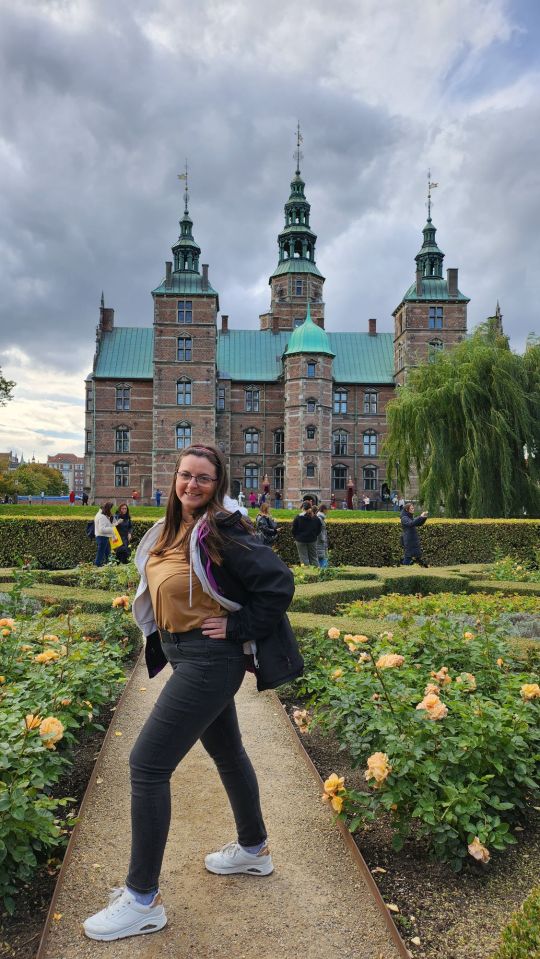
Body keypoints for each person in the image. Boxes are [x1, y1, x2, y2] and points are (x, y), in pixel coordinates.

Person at [83, 444, 302, 942]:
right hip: (185, 654)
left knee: (147, 764)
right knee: (228, 752)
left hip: (209, 661)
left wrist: (239, 625)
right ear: (174, 478)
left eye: (203, 478)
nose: (192, 485)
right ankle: (253, 850)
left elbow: (278, 583)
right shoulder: (169, 530)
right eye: (186, 475)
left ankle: (142, 900)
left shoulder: (224, 528)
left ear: (217, 483)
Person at [291, 501, 321, 566]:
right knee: (314, 558)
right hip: (312, 539)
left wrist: (296, 537)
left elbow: (293, 530)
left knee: (304, 558)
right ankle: (317, 574)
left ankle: (307, 574)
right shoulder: (316, 518)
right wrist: (314, 535)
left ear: (302, 508)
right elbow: (319, 529)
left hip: (300, 540)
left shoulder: (298, 517)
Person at [93, 502, 120, 567]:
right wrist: (112, 529)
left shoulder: (102, 515)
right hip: (102, 537)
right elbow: (102, 529)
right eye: (110, 508)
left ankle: (109, 563)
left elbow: (107, 525)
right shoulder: (102, 517)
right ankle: (97, 564)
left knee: (107, 552)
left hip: (103, 536)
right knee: (101, 552)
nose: (111, 510)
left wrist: (114, 523)